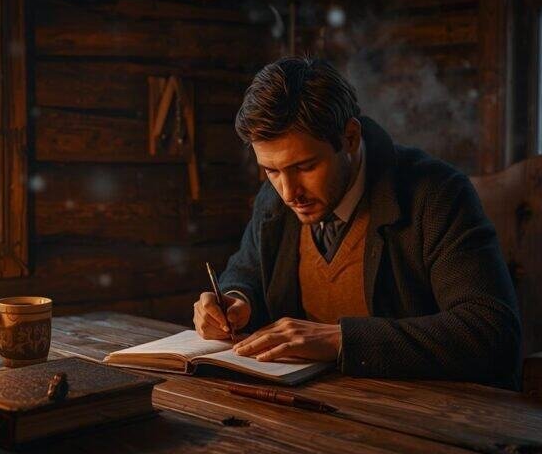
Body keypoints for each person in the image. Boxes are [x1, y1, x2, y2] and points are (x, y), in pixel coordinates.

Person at [192, 57, 521, 390]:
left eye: (305, 167)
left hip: (424, 415)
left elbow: (491, 332)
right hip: (308, 407)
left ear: (349, 137)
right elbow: (246, 273)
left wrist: (341, 340)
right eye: (272, 171)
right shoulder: (274, 199)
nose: (289, 193)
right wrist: (235, 301)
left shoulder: (437, 194)